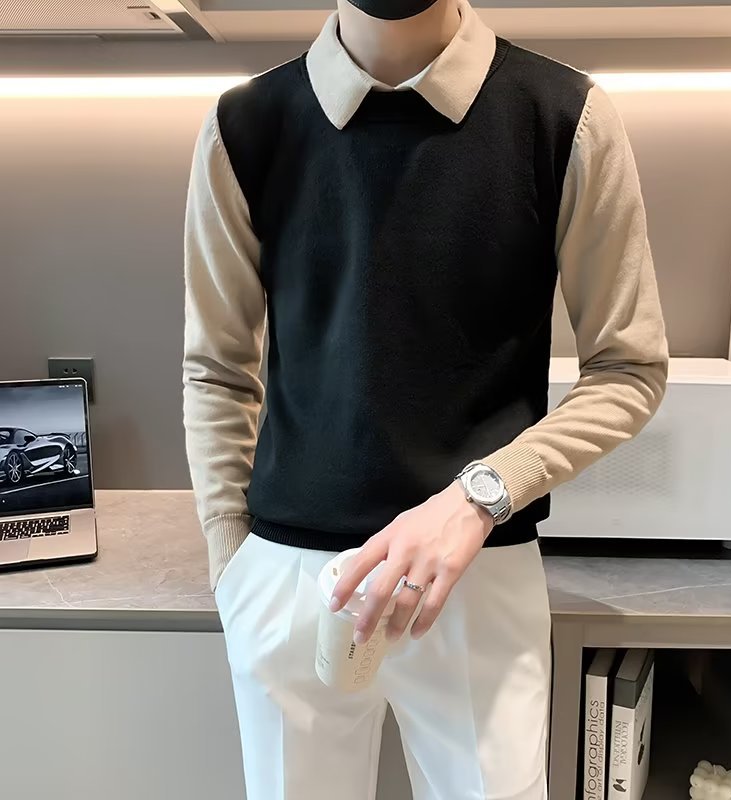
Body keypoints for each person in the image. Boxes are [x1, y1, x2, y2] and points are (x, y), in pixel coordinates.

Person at [182, 0, 669, 797]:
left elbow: (629, 369)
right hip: (288, 576)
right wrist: (232, 562)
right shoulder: (245, 125)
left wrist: (479, 497)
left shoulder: (563, 116)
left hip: (478, 571)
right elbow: (217, 368)